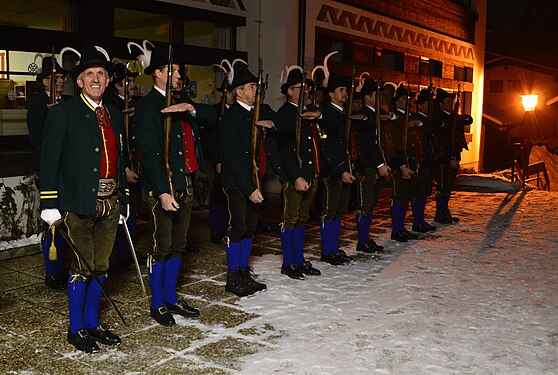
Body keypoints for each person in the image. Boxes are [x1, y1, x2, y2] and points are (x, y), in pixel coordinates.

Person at [39, 45, 127, 353]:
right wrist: (49, 203)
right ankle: (76, 328)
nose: (95, 79)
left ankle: (92, 323)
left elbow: (121, 159)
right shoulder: (64, 113)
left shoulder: (114, 115)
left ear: (106, 80)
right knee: (81, 267)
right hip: (77, 203)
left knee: (101, 266)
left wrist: (124, 202)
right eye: (89, 74)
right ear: (79, 82)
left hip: (109, 202)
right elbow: (49, 160)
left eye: (101, 74)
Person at [134, 43, 217, 326]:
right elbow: (149, 152)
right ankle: (157, 303)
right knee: (162, 246)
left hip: (185, 182)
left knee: (179, 245)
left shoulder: (183, 102)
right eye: (172, 70)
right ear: (156, 74)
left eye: (179, 70)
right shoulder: (147, 106)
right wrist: (161, 191)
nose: (178, 75)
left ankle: (170, 296)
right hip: (163, 186)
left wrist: (190, 107)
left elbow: (215, 116)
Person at [219, 60, 276, 297]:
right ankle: (234, 276)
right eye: (251, 87)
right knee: (238, 227)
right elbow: (233, 157)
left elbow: (280, 119)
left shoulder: (256, 113)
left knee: (251, 227)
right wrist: (249, 187)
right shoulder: (231, 117)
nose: (255, 90)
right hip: (238, 183)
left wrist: (272, 124)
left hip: (254, 180)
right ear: (239, 91)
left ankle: (243, 271)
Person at [27, 54, 72, 290]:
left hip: (68, 169)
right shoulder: (36, 105)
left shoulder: (67, 102)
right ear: (44, 81)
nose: (60, 81)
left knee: (66, 219)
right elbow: (37, 139)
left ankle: (63, 266)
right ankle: (52, 271)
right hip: (46, 169)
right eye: (55, 78)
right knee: (51, 218)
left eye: (62, 77)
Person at [273, 66, 322, 279]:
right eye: (298, 88)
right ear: (289, 91)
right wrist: (296, 176)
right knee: (290, 218)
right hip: (296, 176)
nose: (304, 91)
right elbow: (285, 149)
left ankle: (299, 259)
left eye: (306, 88)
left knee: (303, 218)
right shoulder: (285, 114)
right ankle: (289, 262)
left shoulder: (309, 112)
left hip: (310, 173)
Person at [317, 73, 357, 266]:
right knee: (329, 210)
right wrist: (340, 169)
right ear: (331, 94)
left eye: (346, 90)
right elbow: (327, 146)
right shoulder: (327, 114)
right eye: (341, 90)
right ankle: (327, 250)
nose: (345, 94)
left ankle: (334, 247)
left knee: (340, 210)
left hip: (344, 169)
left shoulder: (342, 113)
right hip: (332, 170)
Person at [104, 63, 140, 270]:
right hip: (120, 165)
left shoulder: (133, 103)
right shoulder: (112, 106)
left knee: (132, 208)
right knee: (119, 211)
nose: (132, 85)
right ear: (117, 85)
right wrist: (125, 166)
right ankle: (119, 254)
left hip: (135, 161)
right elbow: (118, 143)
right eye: (128, 81)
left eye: (133, 81)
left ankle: (129, 251)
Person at [352, 78, 392, 255]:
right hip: (367, 166)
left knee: (371, 204)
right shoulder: (364, 116)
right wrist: (379, 163)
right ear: (367, 97)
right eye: (376, 95)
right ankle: (362, 240)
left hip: (377, 165)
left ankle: (366, 238)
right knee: (364, 204)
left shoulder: (377, 114)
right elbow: (368, 144)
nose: (379, 98)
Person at [385, 85, 421, 242]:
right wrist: (401, 164)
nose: (408, 103)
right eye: (404, 100)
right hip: (398, 163)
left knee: (406, 196)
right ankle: (396, 228)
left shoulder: (410, 118)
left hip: (410, 161)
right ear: (397, 102)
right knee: (398, 196)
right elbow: (395, 144)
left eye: (409, 100)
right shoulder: (394, 119)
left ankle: (401, 227)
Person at [433, 88, 473, 224]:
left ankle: (445, 210)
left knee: (449, 185)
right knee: (443, 185)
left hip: (454, 154)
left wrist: (461, 116)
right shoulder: (439, 118)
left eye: (452, 102)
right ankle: (440, 211)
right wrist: (450, 157)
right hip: (444, 157)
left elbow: (469, 120)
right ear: (441, 104)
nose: (451, 104)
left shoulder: (453, 117)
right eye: (448, 102)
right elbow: (444, 140)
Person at [208, 78, 234, 244]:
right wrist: (217, 160)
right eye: (227, 92)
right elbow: (212, 139)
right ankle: (216, 230)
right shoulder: (215, 111)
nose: (230, 95)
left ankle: (228, 228)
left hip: (234, 161)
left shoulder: (238, 111)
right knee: (218, 195)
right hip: (220, 161)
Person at [410, 88, 438, 233]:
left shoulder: (428, 120)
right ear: (420, 106)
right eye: (427, 104)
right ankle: (417, 221)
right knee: (419, 191)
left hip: (428, 160)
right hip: (419, 160)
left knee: (425, 191)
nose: (429, 107)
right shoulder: (415, 118)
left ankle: (420, 219)